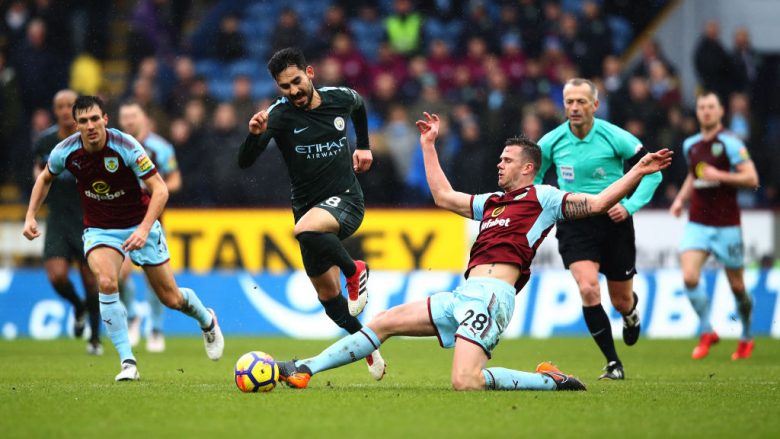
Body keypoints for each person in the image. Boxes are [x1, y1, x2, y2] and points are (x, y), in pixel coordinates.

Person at [274, 112, 672, 391]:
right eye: (499, 159)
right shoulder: (493, 202)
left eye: (507, 160)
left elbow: (599, 202)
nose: (499, 164)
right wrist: (428, 145)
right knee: (383, 321)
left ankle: (546, 381)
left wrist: (637, 171)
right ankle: (306, 368)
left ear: (529, 168)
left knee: (465, 382)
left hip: (493, 298)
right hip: (464, 294)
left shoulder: (545, 197)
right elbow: (444, 197)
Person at [23, 95, 224, 381]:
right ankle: (127, 362)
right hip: (100, 229)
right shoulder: (65, 151)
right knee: (106, 282)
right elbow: (45, 178)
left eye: (95, 119)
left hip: (138, 223)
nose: (90, 126)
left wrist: (143, 229)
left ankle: (207, 319)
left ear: (105, 119)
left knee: (171, 298)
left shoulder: (126, 146)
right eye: (83, 121)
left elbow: (161, 190)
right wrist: (31, 214)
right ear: (76, 125)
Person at [237, 47, 384, 380]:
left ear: (310, 73)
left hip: (346, 200)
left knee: (304, 231)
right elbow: (245, 162)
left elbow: (359, 105)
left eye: (296, 81)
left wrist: (363, 145)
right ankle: (367, 344)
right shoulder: (279, 115)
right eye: (284, 87)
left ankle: (354, 269)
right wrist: (254, 135)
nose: (293, 91)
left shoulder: (339, 98)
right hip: (308, 211)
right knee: (328, 297)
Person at [534, 78, 663, 380]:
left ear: (595, 105)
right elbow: (535, 178)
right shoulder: (551, 141)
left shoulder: (614, 136)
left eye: (581, 101)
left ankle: (630, 315)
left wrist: (629, 206)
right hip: (574, 222)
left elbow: (652, 173)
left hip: (614, 221)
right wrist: (548, 204)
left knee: (620, 300)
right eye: (569, 102)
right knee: (589, 288)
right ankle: (613, 363)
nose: (575, 107)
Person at [669, 91, 759, 360]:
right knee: (689, 276)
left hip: (726, 224)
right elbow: (692, 175)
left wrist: (719, 174)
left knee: (737, 287)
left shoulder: (731, 143)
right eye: (701, 107)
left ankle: (745, 335)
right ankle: (707, 330)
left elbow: (752, 178)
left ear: (721, 112)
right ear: (697, 112)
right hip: (698, 221)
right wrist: (680, 200)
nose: (706, 111)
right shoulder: (691, 145)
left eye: (711, 107)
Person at [32, 89, 102, 355]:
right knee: (57, 276)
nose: (64, 110)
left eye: (68, 105)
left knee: (91, 281)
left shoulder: (92, 141)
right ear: (55, 110)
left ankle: (94, 338)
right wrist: (33, 213)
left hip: (87, 217)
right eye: (59, 106)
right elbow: (40, 176)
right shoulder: (45, 142)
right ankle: (78, 305)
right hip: (59, 218)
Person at [117, 100, 182, 353]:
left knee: (153, 280)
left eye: (133, 115)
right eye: (125, 116)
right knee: (118, 275)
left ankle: (155, 328)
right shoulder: (114, 147)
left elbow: (175, 180)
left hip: (152, 221)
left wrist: (157, 187)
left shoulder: (160, 148)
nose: (129, 120)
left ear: (143, 117)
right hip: (120, 220)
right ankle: (133, 314)